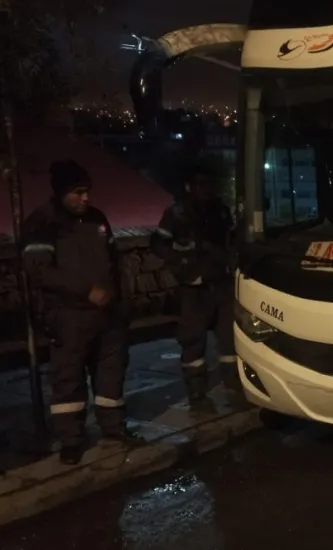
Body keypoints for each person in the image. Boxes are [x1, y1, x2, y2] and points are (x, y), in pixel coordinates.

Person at [22, 159, 139, 464]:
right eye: (77, 192)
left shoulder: (97, 219)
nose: (85, 198)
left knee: (111, 374)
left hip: (108, 315)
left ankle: (114, 428)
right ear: (61, 192)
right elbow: (40, 271)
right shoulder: (42, 223)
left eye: (87, 191)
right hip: (68, 316)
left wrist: (122, 301)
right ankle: (72, 440)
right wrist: (85, 290)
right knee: (68, 377)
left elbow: (114, 262)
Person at [151, 162, 238, 407]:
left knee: (229, 339)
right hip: (193, 286)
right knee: (193, 340)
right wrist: (182, 267)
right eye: (201, 185)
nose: (207, 190)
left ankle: (234, 385)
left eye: (210, 184)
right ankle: (197, 392)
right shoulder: (176, 213)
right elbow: (159, 244)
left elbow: (231, 240)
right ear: (190, 187)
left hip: (221, 283)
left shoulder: (220, 211)